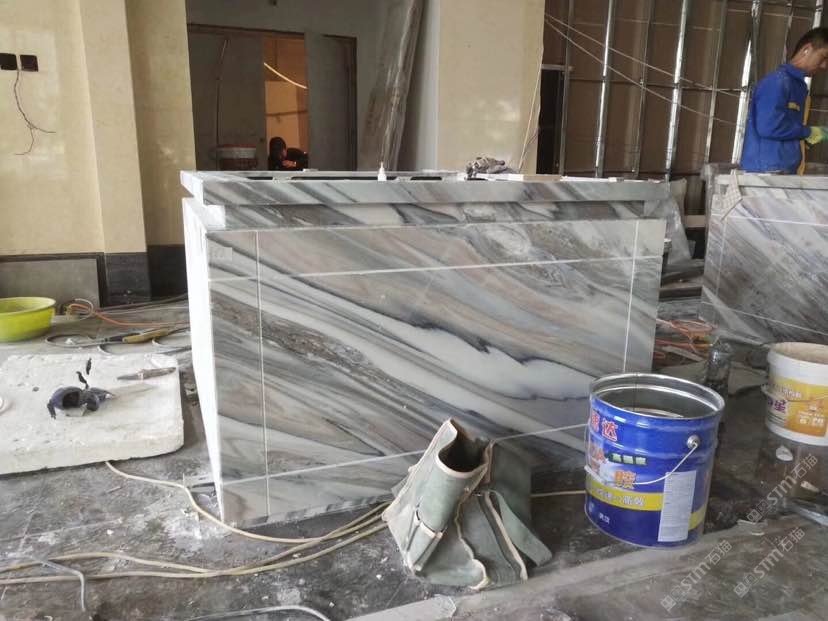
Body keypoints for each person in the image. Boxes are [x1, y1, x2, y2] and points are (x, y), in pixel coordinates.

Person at [742, 27, 828, 174]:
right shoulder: (778, 82)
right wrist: (807, 132)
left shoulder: (797, 86)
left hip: (781, 172)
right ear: (806, 49)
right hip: (764, 174)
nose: (824, 65)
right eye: (823, 57)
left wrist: (805, 137)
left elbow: (785, 127)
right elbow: (769, 126)